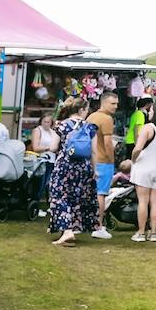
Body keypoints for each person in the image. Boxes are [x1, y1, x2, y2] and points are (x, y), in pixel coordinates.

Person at [48, 98, 97, 246]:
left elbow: (52, 147)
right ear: (82, 110)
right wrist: (94, 169)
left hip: (64, 165)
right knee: (77, 197)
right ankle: (73, 227)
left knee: (60, 196)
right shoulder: (90, 127)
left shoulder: (61, 125)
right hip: (83, 166)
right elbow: (94, 151)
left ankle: (66, 229)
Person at [129, 100, 156, 242]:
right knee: (155, 201)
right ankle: (153, 233)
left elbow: (138, 148)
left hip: (145, 167)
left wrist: (133, 159)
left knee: (143, 201)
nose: (150, 112)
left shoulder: (148, 128)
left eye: (151, 110)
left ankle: (141, 232)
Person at [86, 92, 118, 239]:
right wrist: (112, 160)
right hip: (103, 161)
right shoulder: (106, 119)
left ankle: (87, 222)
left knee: (89, 193)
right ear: (103, 103)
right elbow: (107, 143)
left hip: (90, 159)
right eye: (113, 103)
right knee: (101, 194)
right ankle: (98, 226)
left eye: (116, 104)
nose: (115, 107)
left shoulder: (91, 117)